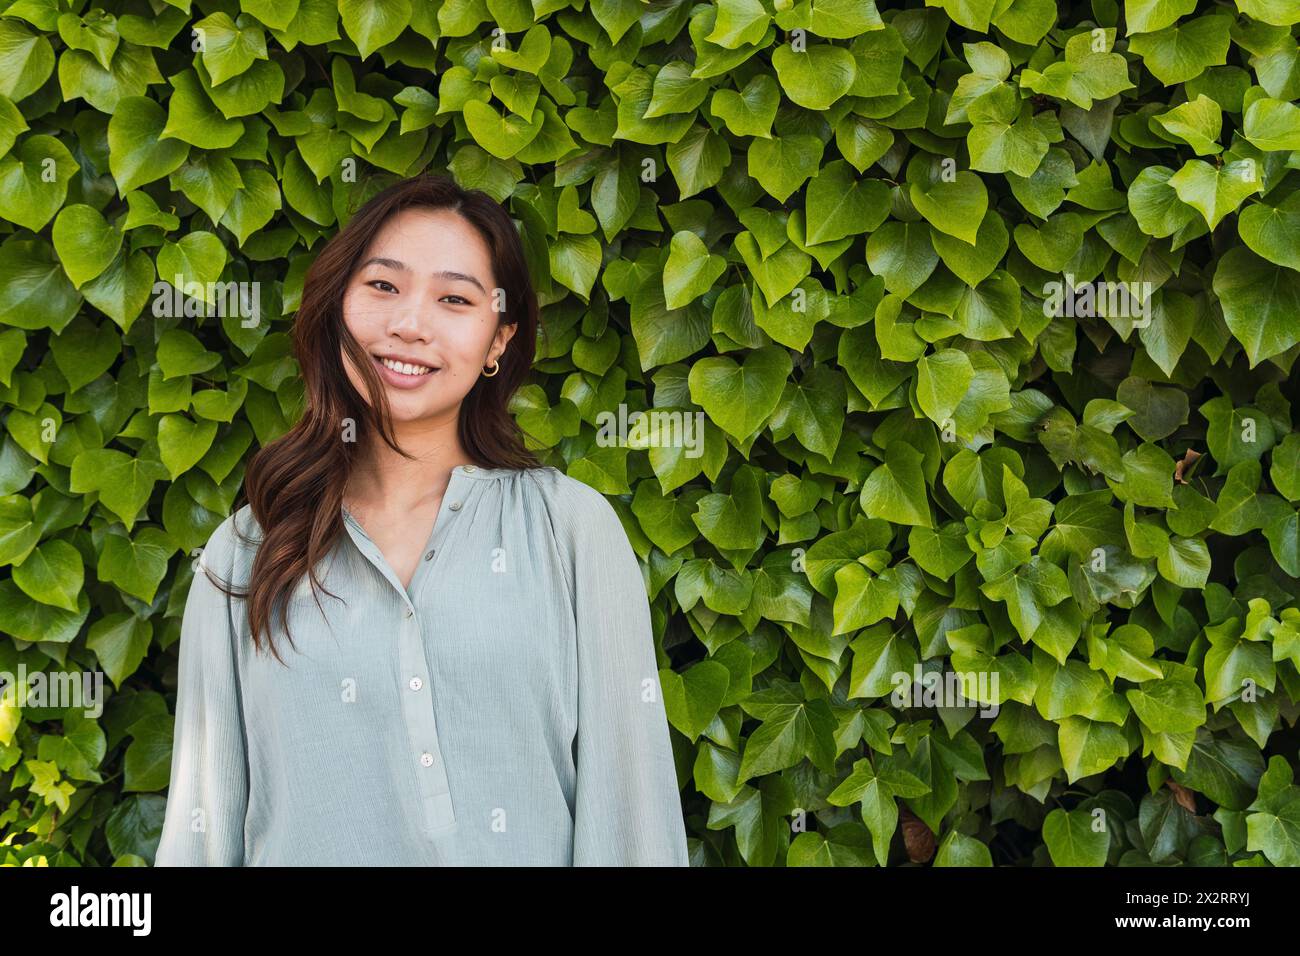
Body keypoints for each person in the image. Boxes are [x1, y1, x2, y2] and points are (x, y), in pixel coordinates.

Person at [154, 172, 690, 866]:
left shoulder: (570, 532)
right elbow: (201, 836)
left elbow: (634, 822)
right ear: (336, 305)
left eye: (454, 299)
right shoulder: (247, 552)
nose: (410, 323)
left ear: (500, 340)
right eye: (382, 286)